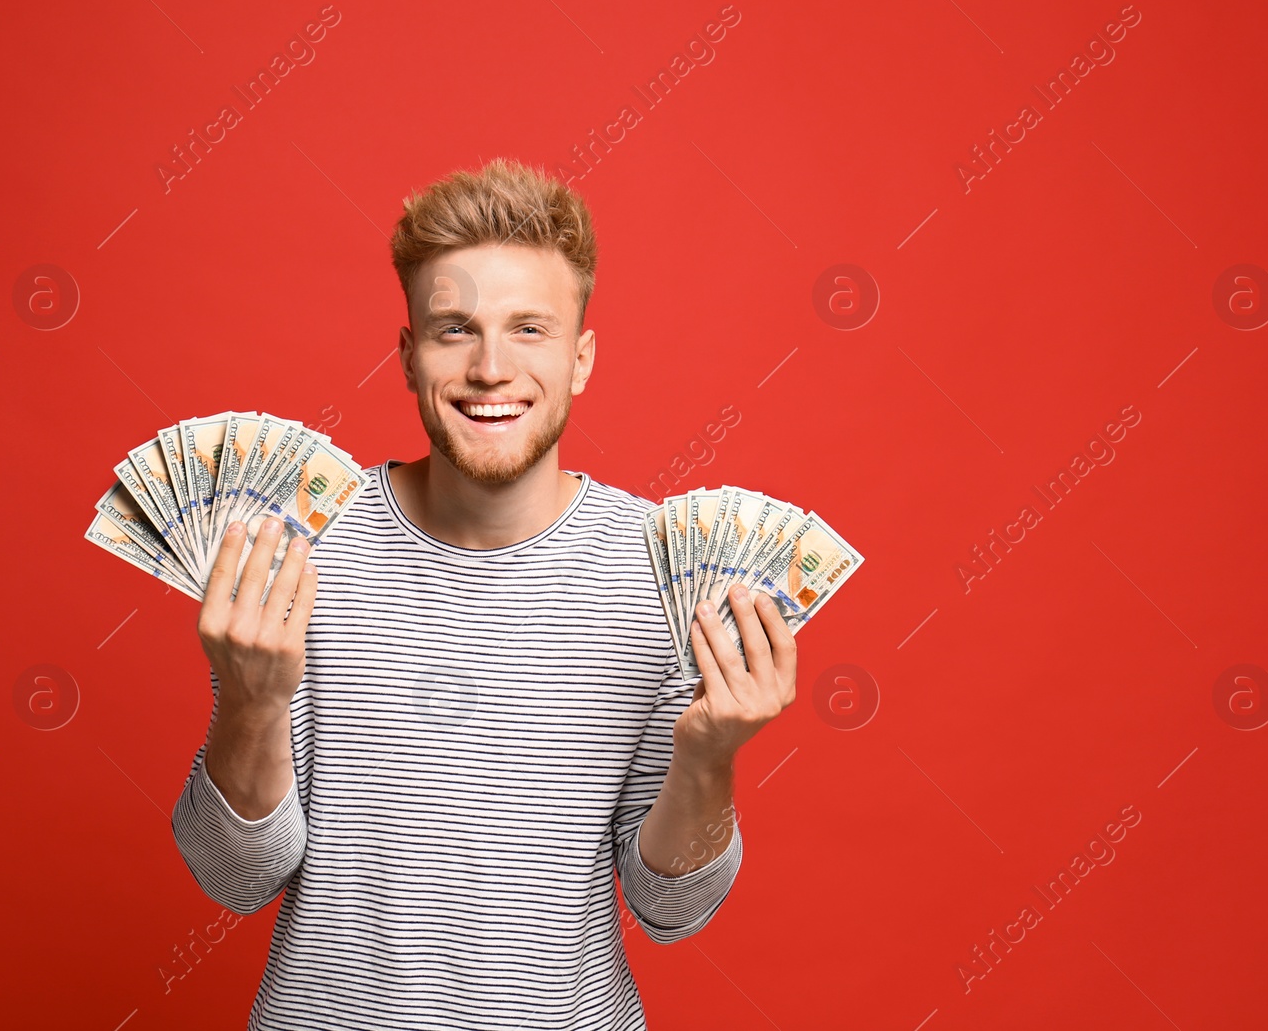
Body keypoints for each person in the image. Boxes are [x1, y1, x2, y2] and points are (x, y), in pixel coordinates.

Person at [170, 157, 799, 1029]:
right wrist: (249, 700)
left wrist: (708, 754)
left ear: (580, 358)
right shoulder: (299, 545)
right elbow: (233, 878)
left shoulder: (664, 570)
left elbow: (672, 908)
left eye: (529, 329)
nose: (491, 367)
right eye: (455, 329)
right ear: (407, 355)